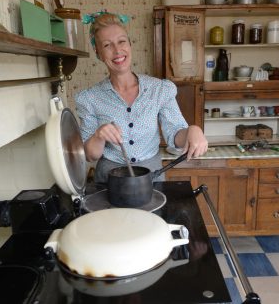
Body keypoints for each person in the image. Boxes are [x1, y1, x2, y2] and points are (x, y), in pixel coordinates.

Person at [75, 10, 208, 183]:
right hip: (109, 180)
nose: (117, 50)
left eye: (122, 41)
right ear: (98, 52)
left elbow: (175, 134)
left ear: (130, 44)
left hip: (151, 177)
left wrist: (193, 130)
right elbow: (90, 155)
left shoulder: (159, 89)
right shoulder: (89, 98)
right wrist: (99, 135)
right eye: (107, 45)